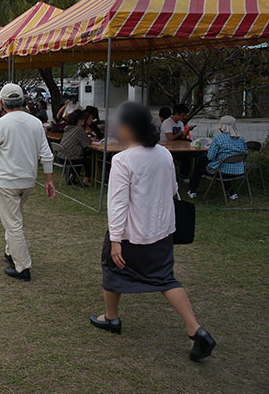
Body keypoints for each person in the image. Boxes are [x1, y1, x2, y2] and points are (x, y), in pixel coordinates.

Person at [89, 102, 216, 361]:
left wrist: (115, 240)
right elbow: (171, 190)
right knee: (166, 279)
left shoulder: (122, 160)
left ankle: (111, 318)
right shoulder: (164, 153)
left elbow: (117, 204)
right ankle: (196, 330)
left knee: (112, 267)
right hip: (161, 230)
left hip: (130, 233)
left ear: (128, 128)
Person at [0, 83, 55, 281]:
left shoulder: (0, 124)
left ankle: (22, 267)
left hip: (8, 182)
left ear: (1, 103)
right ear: (23, 100)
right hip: (28, 181)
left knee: (13, 223)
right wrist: (48, 180)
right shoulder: (35, 123)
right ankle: (10, 252)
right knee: (14, 218)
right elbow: (47, 155)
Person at [187, 115, 247, 200]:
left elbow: (210, 157)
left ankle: (192, 190)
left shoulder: (219, 139)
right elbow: (244, 152)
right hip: (238, 170)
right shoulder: (241, 139)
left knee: (200, 164)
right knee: (224, 164)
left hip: (222, 171)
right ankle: (232, 193)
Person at [56, 110, 93, 187]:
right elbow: (86, 143)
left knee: (79, 155)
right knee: (87, 158)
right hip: (69, 158)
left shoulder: (67, 128)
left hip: (60, 157)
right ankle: (86, 180)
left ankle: (72, 177)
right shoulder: (79, 129)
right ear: (80, 121)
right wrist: (89, 138)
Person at [160, 104, 195, 180]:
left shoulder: (180, 123)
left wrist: (187, 130)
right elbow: (171, 138)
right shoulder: (167, 123)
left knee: (188, 154)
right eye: (183, 115)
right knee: (184, 155)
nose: (184, 117)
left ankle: (183, 175)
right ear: (176, 114)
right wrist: (180, 133)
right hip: (167, 147)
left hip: (178, 146)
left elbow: (182, 137)